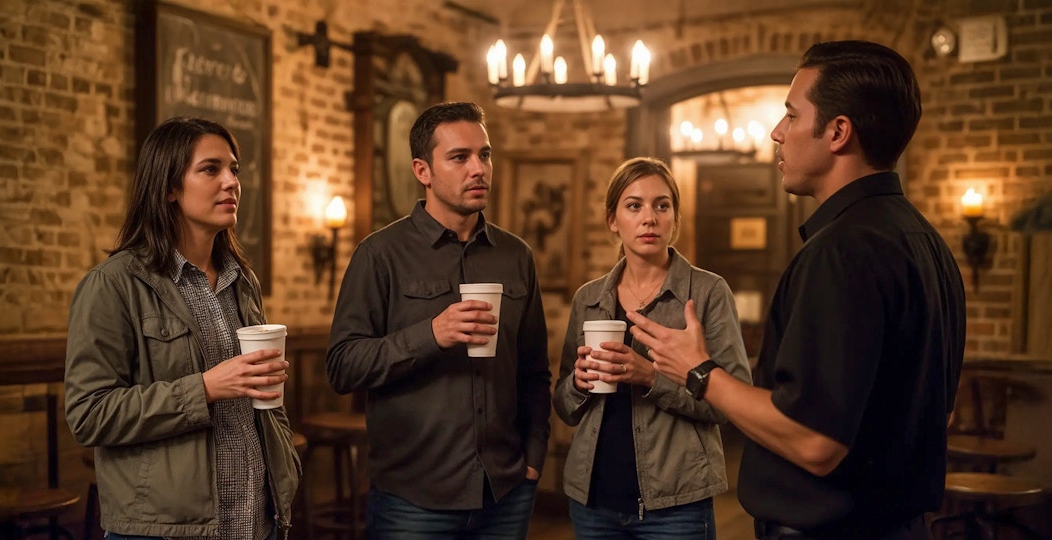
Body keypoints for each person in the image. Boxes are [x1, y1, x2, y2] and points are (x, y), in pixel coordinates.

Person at [627, 40, 966, 540]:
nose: (777, 132)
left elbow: (815, 443)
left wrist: (698, 370)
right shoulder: (925, 241)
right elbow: (942, 412)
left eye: (791, 114)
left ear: (838, 132)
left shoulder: (842, 251)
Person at [64, 117, 301, 539]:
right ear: (169, 188)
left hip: (254, 521)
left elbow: (262, 399)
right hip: (165, 528)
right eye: (211, 169)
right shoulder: (113, 284)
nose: (231, 182)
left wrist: (285, 469)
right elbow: (89, 414)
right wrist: (204, 388)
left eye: (234, 170)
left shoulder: (242, 280)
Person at [325, 101, 551, 538]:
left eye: (484, 155)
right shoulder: (380, 254)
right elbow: (342, 366)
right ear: (422, 171)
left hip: (505, 491)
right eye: (459, 157)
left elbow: (534, 370)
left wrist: (534, 457)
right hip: (412, 498)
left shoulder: (516, 256)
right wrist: (432, 333)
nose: (478, 169)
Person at [553, 157, 752, 539]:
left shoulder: (707, 292)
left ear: (674, 219)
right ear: (613, 220)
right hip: (592, 501)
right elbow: (564, 407)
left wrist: (650, 377)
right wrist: (578, 384)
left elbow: (733, 403)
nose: (649, 218)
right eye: (634, 206)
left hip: (677, 503)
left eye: (662, 206)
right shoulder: (588, 298)